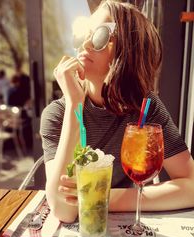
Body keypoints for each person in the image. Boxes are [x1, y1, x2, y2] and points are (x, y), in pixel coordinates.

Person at [40, 0, 194, 223]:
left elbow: (191, 185)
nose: (85, 44)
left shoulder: (146, 108)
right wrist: (75, 105)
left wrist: (100, 197)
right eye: (83, 33)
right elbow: (64, 210)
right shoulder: (57, 114)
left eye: (100, 35)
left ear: (129, 49)